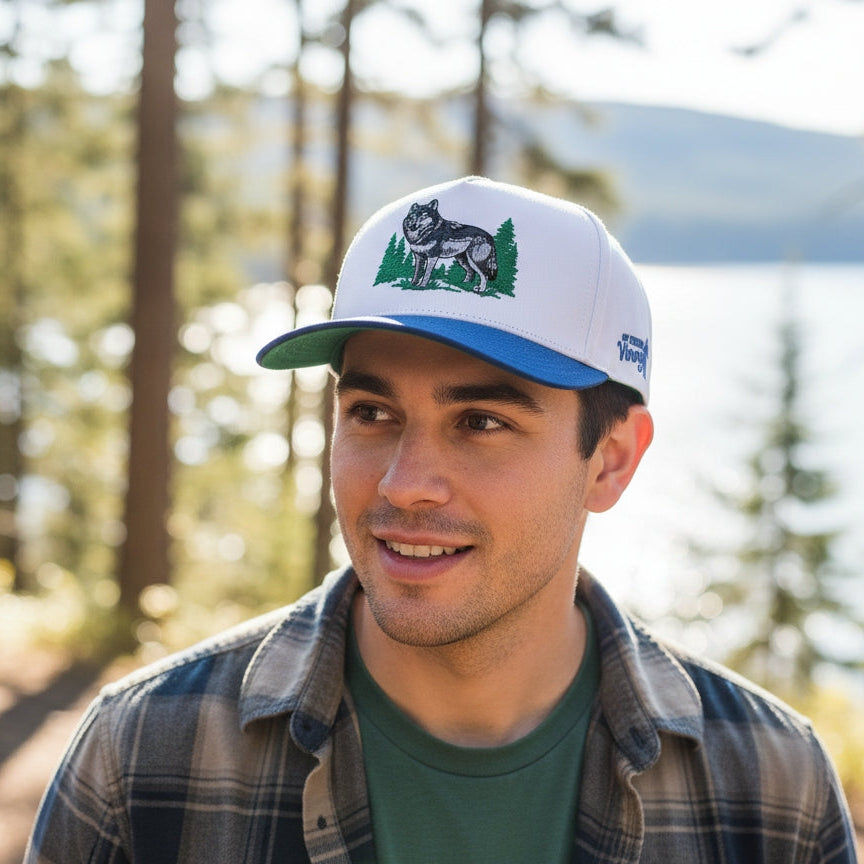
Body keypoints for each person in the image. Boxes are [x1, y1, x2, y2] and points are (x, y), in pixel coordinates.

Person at [26, 177, 856, 863]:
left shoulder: (770, 790)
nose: (406, 484)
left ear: (610, 460)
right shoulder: (140, 759)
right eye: (372, 413)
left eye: (481, 422)